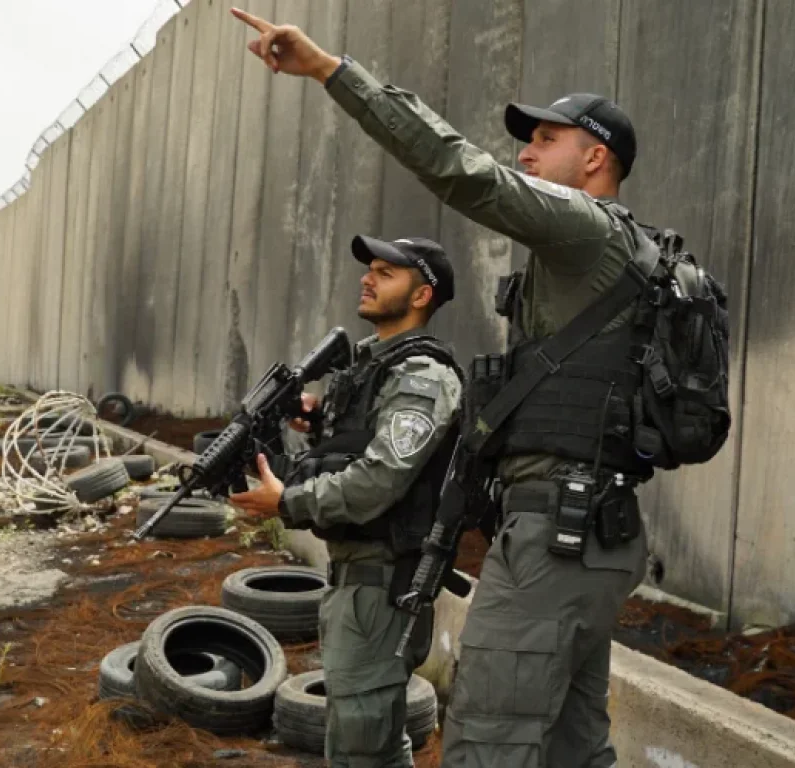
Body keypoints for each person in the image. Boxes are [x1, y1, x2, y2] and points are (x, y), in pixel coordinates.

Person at [230, 8, 663, 767]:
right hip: (589, 531)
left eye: (545, 139)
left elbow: (456, 166)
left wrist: (331, 70)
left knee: (485, 743)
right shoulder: (604, 259)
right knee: (571, 745)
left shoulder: (586, 229)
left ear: (595, 159)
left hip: (556, 539)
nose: (526, 153)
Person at [231, 234, 464, 768]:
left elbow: (377, 483)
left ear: (422, 294)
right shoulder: (375, 370)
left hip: (383, 585)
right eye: (370, 269)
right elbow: (356, 455)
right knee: (369, 740)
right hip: (355, 580)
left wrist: (289, 501)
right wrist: (318, 425)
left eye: (386, 272)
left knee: (364, 747)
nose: (368, 278)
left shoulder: (422, 377)